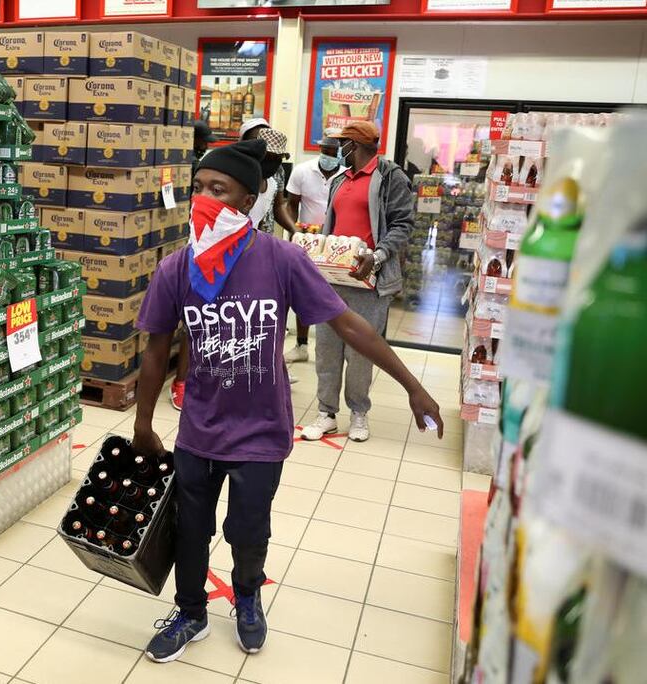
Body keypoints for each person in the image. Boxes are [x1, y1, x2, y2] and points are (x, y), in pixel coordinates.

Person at [133, 138, 444, 663]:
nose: (204, 199)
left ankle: (248, 598)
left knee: (248, 529)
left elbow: (348, 323)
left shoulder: (280, 260)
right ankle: (190, 612)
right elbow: (155, 348)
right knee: (191, 526)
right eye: (198, 189)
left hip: (260, 431)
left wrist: (413, 384)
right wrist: (143, 421)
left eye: (219, 189)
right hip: (200, 428)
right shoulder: (177, 268)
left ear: (249, 200)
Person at [302, 120, 414, 444]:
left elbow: (403, 225)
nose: (338, 150)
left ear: (356, 145)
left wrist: (377, 255)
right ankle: (326, 413)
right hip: (331, 278)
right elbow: (330, 226)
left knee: (361, 351)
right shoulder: (340, 180)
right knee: (326, 348)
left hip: (368, 279)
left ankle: (359, 412)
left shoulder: (391, 178)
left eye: (343, 144)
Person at [170, 121, 221, 411]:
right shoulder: (187, 165)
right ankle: (181, 383)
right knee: (194, 324)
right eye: (198, 188)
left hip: (213, 253)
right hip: (195, 252)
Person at [284, 134, 345, 364]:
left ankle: (333, 346)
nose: (328, 156)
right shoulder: (302, 171)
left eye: (333, 152)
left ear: (339, 153)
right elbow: (291, 206)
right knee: (303, 291)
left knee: (334, 293)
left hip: (336, 241)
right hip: (306, 239)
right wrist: (294, 234)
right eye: (325, 150)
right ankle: (301, 345)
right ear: (320, 149)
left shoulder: (346, 175)